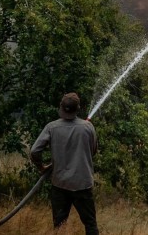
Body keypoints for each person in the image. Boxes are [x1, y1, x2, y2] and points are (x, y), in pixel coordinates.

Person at [31, 92, 99, 235]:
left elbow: (34, 151)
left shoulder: (51, 127)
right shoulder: (88, 127)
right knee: (90, 224)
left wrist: (41, 167)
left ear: (61, 107)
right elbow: (93, 151)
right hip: (83, 185)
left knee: (59, 226)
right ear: (78, 108)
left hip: (60, 185)